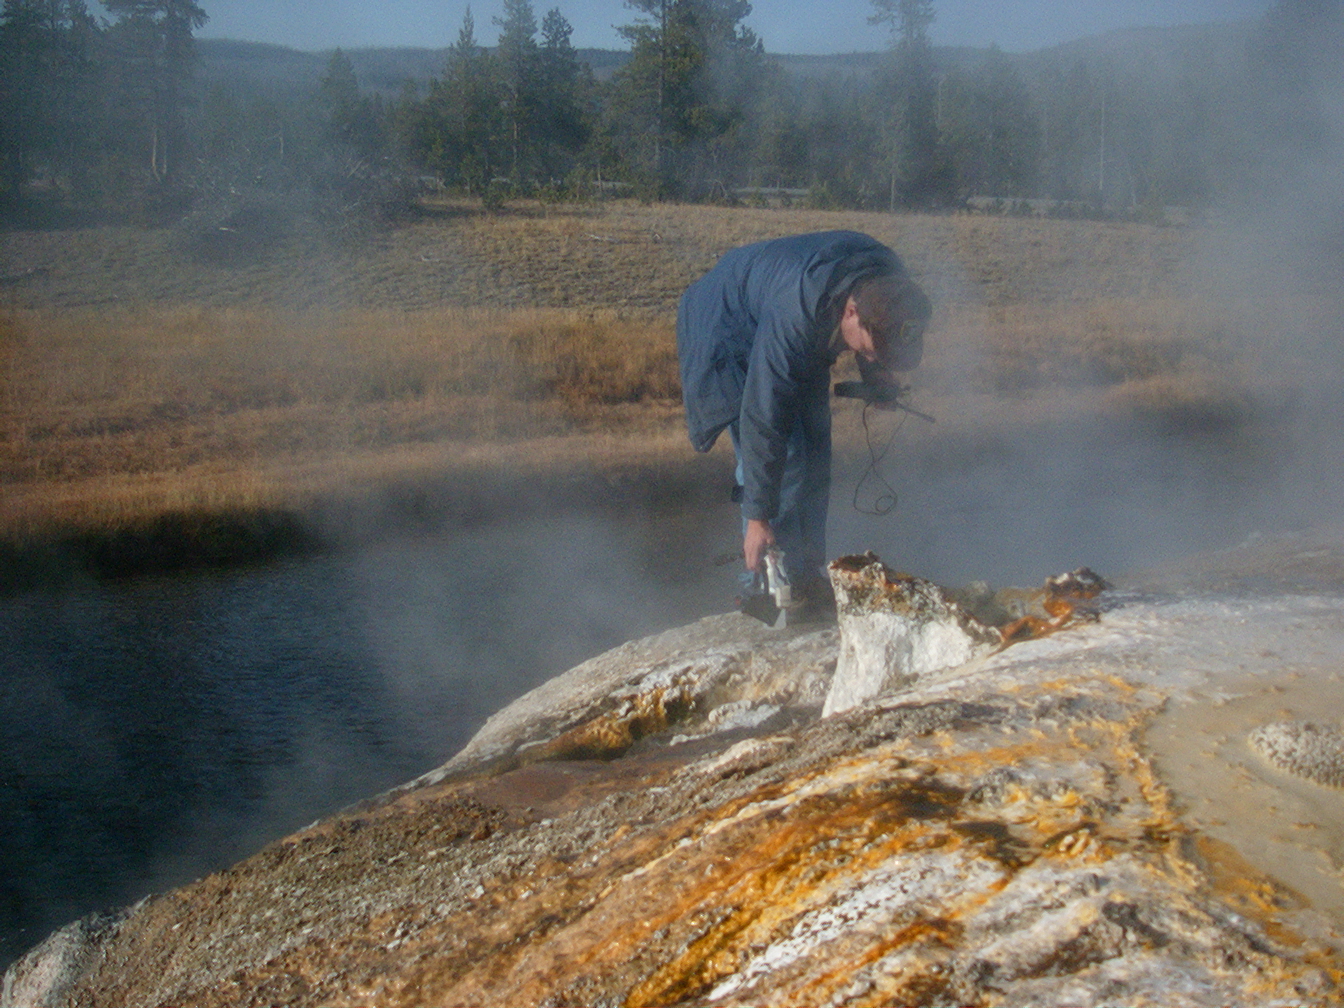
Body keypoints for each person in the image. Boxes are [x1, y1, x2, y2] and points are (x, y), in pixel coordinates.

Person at [676, 230, 930, 608]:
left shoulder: (887, 281)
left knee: (815, 444)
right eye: (872, 352)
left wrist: (875, 374)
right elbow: (764, 418)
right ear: (849, 313)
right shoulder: (796, 315)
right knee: (788, 454)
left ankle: (806, 574)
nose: (875, 357)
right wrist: (759, 517)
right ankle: (761, 589)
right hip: (729, 329)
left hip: (791, 317)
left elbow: (878, 324)